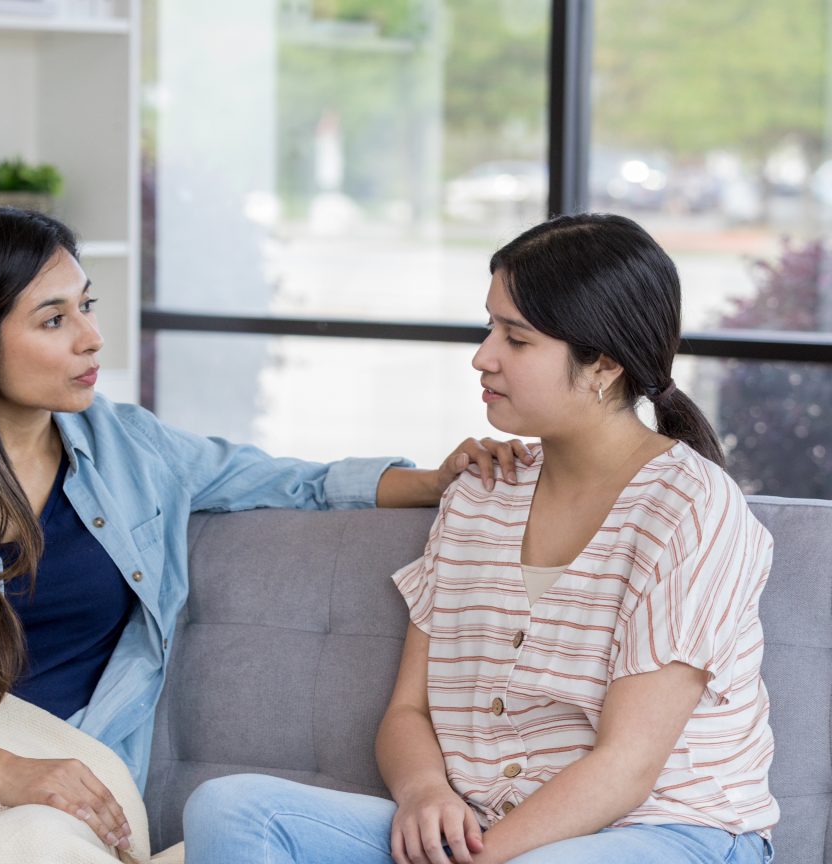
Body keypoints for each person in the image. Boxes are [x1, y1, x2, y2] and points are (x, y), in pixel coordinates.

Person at [0, 207, 527, 853]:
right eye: (53, 320)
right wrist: (2, 769)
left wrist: (434, 481)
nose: (92, 338)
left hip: (73, 781)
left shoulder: (128, 447)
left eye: (86, 306)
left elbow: (287, 480)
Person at [182, 213, 777, 864]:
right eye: (489, 327)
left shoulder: (691, 507)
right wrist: (424, 792)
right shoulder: (480, 492)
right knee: (231, 810)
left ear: (603, 365)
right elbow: (408, 712)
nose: (482, 356)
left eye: (515, 339)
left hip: (668, 832)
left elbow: (626, 768)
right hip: (481, 830)